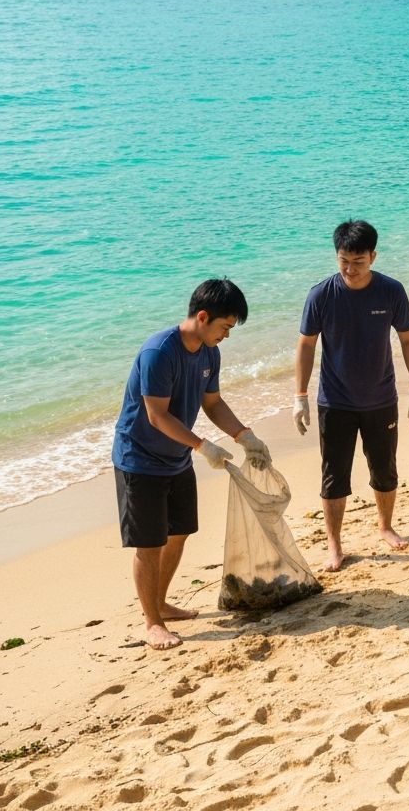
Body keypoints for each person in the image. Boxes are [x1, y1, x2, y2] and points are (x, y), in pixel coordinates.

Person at [112, 279, 271, 650]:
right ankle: (152, 623)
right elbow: (156, 416)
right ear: (202, 317)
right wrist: (202, 446)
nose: (226, 335)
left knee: (179, 532)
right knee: (149, 545)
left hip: (176, 457)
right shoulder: (159, 352)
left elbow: (212, 403)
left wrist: (244, 436)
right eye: (224, 327)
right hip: (140, 460)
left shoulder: (209, 353)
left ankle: (160, 603)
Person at [294, 220, 409, 571]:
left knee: (384, 469)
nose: (350, 269)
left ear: (373, 257)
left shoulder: (391, 291)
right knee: (334, 475)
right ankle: (335, 545)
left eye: (358, 261)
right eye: (344, 261)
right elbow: (306, 345)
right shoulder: (321, 295)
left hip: (381, 398)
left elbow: (408, 339)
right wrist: (300, 395)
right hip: (334, 401)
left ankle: (385, 526)